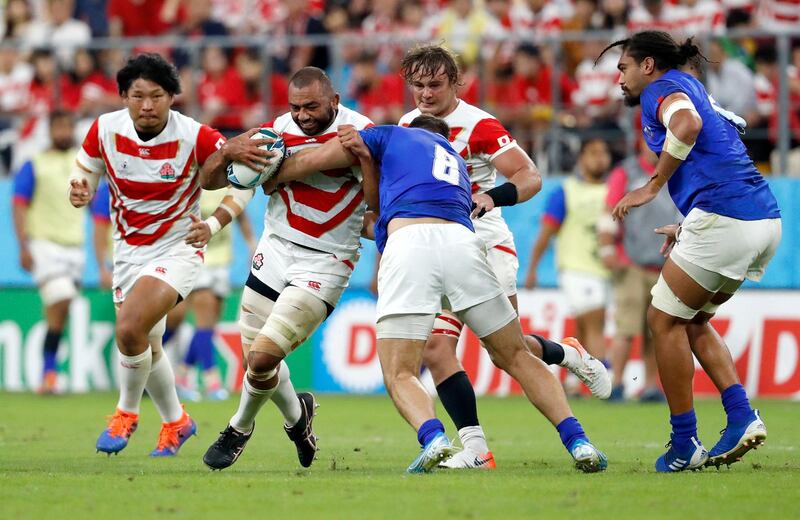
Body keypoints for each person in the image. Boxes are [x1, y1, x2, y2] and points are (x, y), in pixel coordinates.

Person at [266, 115, 608, 474]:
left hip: (411, 246)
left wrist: (282, 172)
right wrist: (369, 167)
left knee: (400, 372)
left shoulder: (394, 135)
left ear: (415, 130)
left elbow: (353, 162)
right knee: (516, 354)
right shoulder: (457, 164)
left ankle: (434, 438)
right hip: (464, 243)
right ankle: (578, 441)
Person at [394, 44, 610, 470]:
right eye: (417, 85)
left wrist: (491, 197)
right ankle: (476, 450)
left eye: (435, 85)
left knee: (505, 350)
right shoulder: (408, 124)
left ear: (458, 83)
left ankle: (567, 360)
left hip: (485, 243)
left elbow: (529, 176)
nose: (425, 94)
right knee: (437, 349)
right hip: (439, 245)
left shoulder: (480, 126)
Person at [600, 30, 781, 471]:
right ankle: (741, 416)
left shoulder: (660, 90)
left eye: (622, 68)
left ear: (646, 65)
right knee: (693, 320)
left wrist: (653, 185)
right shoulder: (691, 86)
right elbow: (723, 139)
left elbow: (688, 125)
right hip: (762, 218)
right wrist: (689, 224)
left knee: (661, 321)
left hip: (725, 217)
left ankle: (684, 443)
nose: (618, 79)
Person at [196, 67, 373, 471]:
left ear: (335, 100)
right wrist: (227, 152)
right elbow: (209, 182)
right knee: (257, 365)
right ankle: (298, 419)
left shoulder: (361, 132)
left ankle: (238, 428)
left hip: (326, 261)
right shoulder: (276, 132)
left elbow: (371, 193)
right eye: (296, 107)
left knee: (261, 360)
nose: (303, 115)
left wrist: (275, 172)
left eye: (312, 106)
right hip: (274, 252)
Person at [68, 54, 237, 457]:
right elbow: (86, 166)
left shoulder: (195, 135)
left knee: (128, 330)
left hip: (178, 249)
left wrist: (215, 223)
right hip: (128, 251)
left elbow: (242, 178)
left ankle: (126, 412)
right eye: (137, 96)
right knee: (149, 345)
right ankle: (177, 421)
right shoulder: (105, 128)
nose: (147, 105)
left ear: (172, 98)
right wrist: (81, 187)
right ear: (124, 97)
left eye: (157, 96)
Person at [599, 141, 678, 402]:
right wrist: (607, 248)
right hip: (631, 262)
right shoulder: (627, 172)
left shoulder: (675, 172)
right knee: (626, 326)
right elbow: (608, 210)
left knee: (656, 329)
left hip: (665, 264)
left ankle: (650, 386)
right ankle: (617, 383)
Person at [12, 110, 83, 394]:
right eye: (60, 127)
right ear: (50, 131)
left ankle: (49, 372)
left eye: (69, 126)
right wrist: (23, 246)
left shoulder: (81, 163)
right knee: (61, 298)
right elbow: (19, 205)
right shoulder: (34, 164)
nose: (65, 132)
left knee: (59, 314)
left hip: (75, 247)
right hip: (45, 245)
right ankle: (49, 371)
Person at [525, 138, 612, 363]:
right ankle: (605, 373)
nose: (600, 158)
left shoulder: (613, 191)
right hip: (576, 267)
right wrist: (532, 269)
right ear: (581, 158)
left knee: (585, 322)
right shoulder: (566, 192)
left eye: (603, 153)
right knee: (595, 319)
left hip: (607, 269)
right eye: (593, 152)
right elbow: (546, 233)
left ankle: (574, 379)